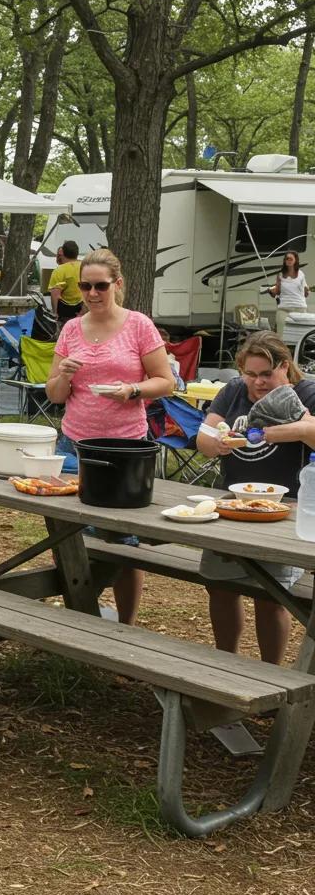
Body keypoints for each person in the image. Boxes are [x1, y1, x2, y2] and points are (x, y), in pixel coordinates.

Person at [44, 248, 175, 625]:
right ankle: (82, 616)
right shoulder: (71, 329)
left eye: (100, 285)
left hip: (125, 447)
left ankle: (126, 624)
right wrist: (65, 374)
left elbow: (165, 382)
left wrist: (132, 390)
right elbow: (55, 394)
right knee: (71, 533)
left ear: (117, 284)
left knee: (123, 539)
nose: (92, 293)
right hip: (74, 444)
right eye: (85, 286)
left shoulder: (138, 325)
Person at [196, 332, 315, 663]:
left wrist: (267, 433)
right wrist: (217, 443)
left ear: (285, 367)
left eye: (266, 374)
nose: (258, 382)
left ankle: (271, 674)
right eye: (251, 374)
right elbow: (204, 437)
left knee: (272, 597)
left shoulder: (306, 393)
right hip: (232, 505)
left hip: (284, 510)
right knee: (219, 587)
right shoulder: (233, 390)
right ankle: (226, 663)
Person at [268, 249, 309, 336]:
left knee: (300, 336)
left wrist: (307, 291)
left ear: (295, 260)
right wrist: (271, 292)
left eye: (291, 259)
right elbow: (277, 292)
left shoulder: (301, 274)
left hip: (299, 308)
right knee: (281, 335)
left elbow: (306, 294)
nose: (288, 260)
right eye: (287, 259)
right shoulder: (280, 275)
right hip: (283, 308)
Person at [48, 240, 83, 329]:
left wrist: (55, 313)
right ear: (77, 252)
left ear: (63, 252)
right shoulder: (84, 266)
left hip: (66, 313)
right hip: (82, 310)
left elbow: (55, 294)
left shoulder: (59, 270)